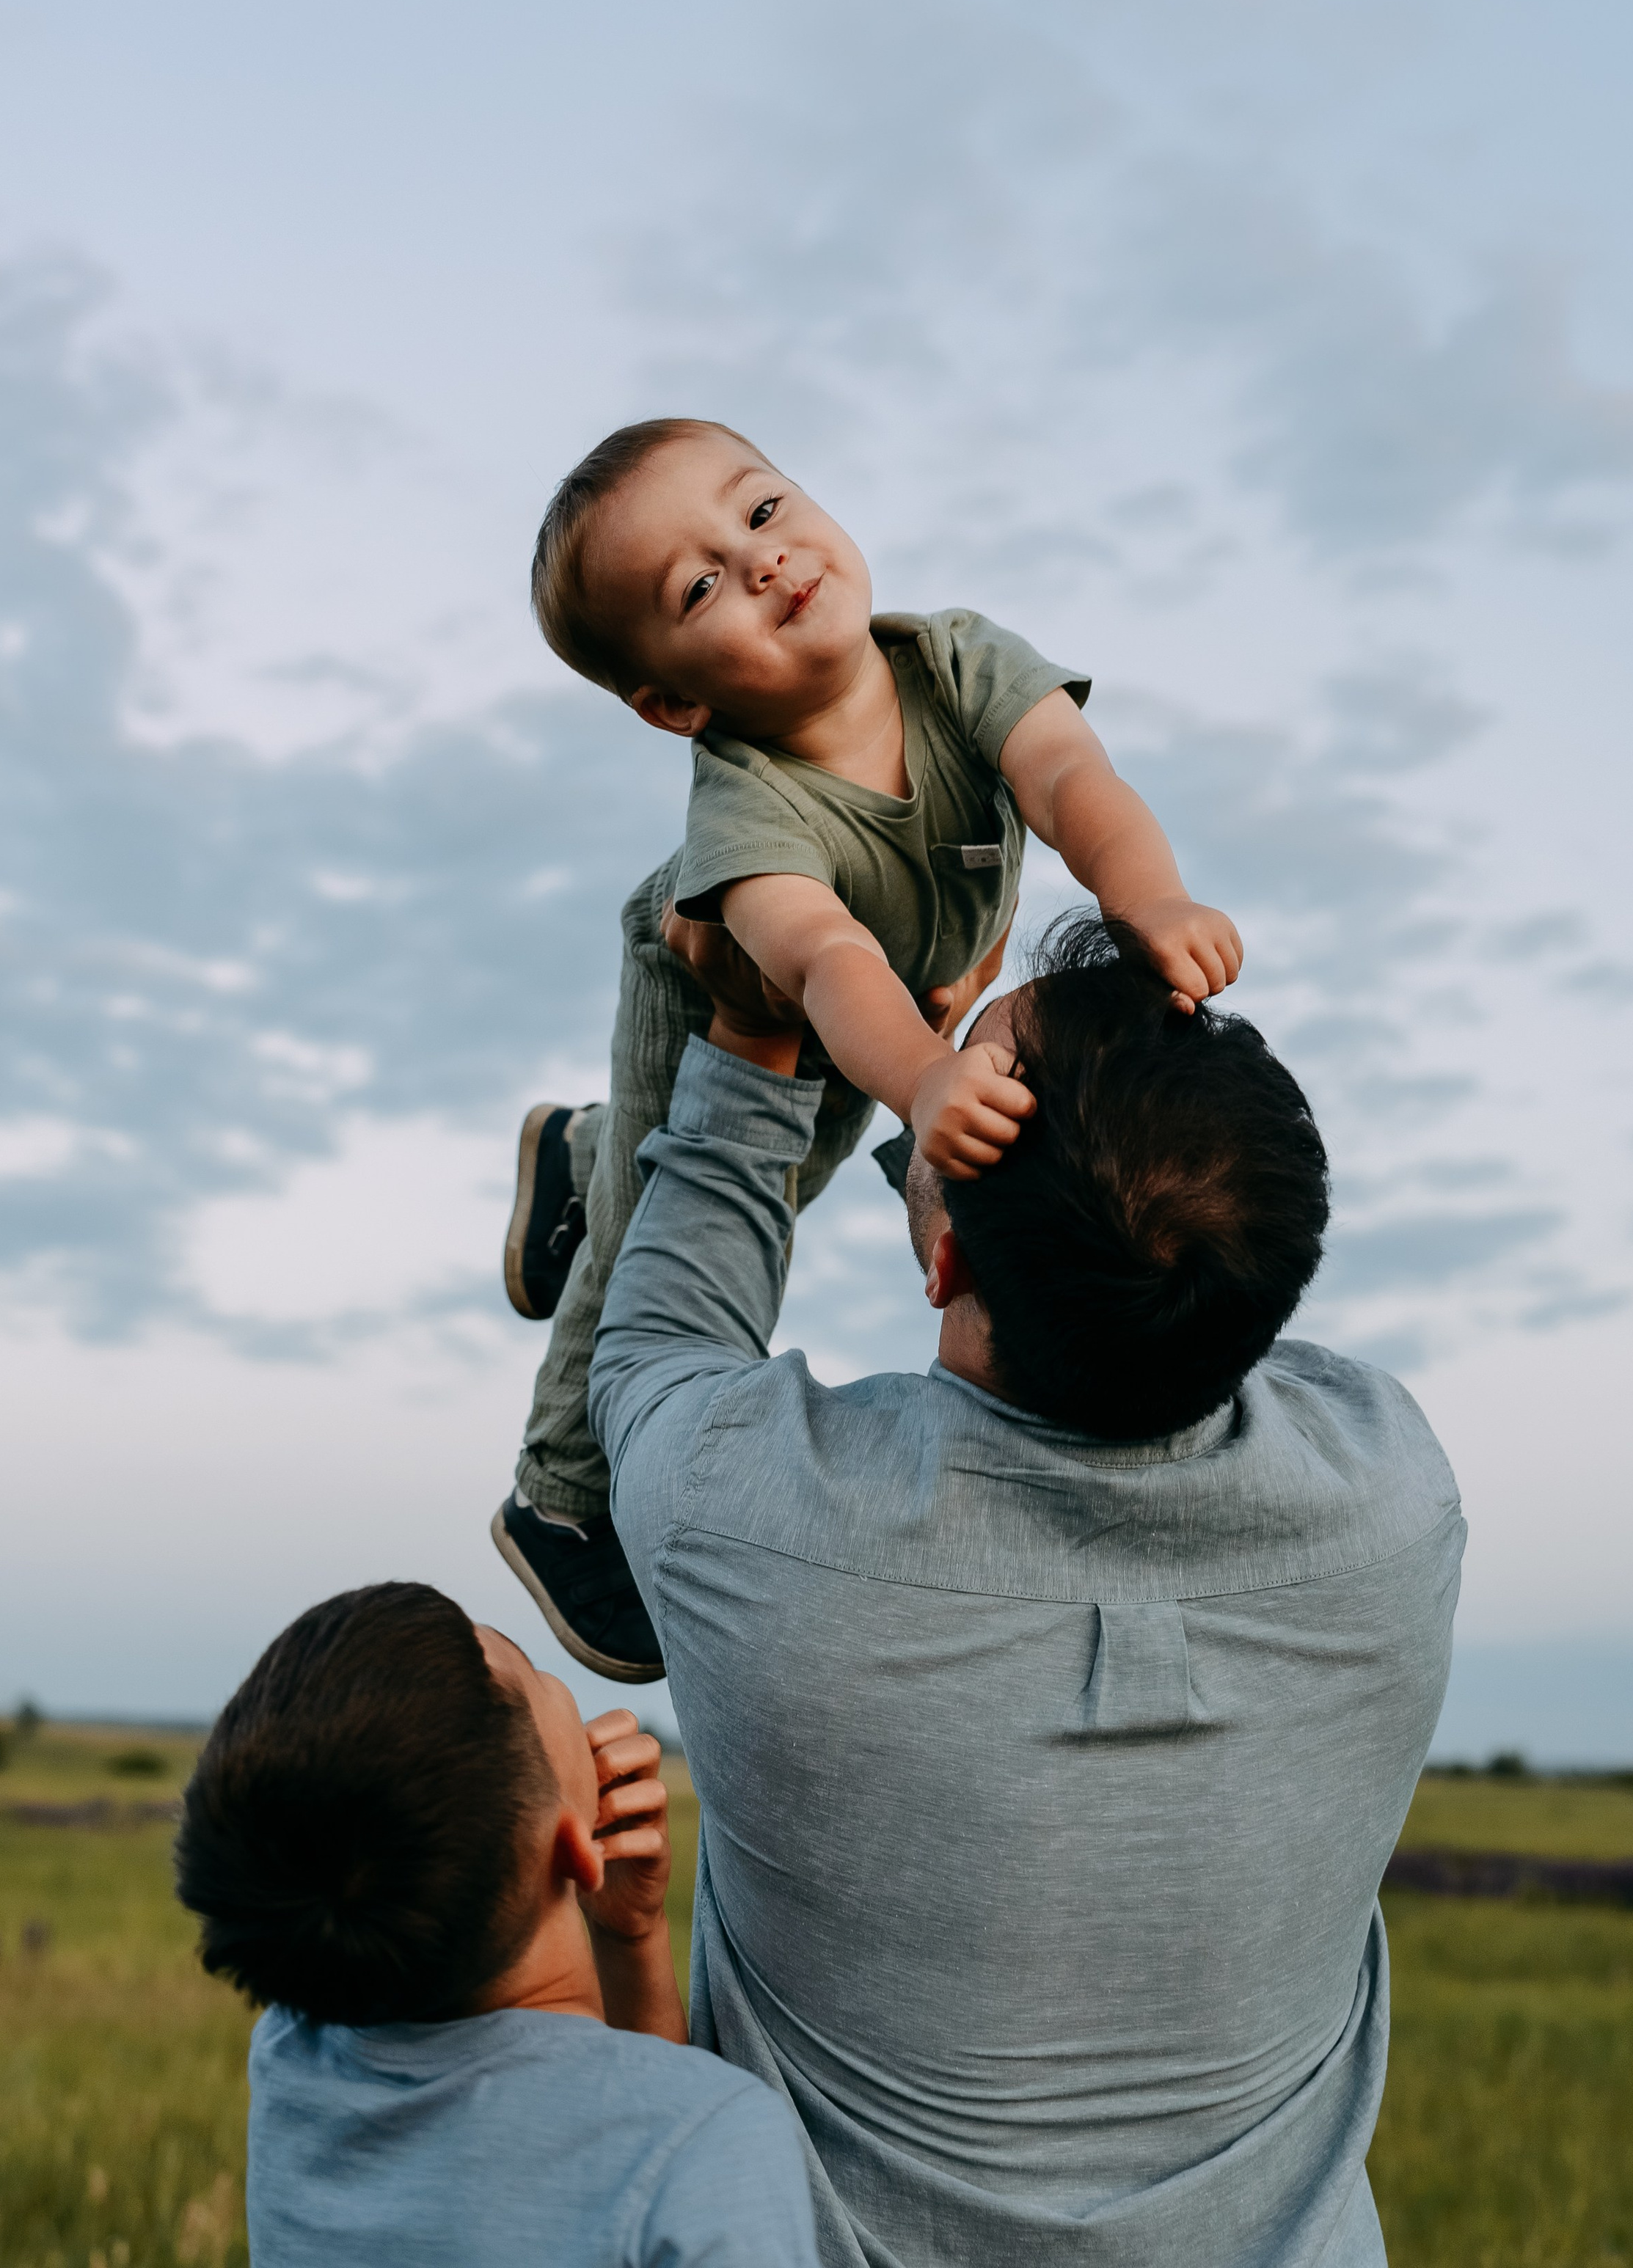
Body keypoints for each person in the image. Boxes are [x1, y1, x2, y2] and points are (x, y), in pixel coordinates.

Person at [588, 914, 1465, 2268]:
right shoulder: (1394, 1499)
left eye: (967, 1077)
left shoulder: (749, 1517)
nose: (940, 1066)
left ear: (941, 1264)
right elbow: (1180, 1281)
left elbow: (651, 1340)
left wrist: (764, 1037)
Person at [495, 414, 1243, 1682]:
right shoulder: (752, 802)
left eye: (765, 513)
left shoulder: (955, 662)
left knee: (809, 1171)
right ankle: (558, 1488)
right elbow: (828, 961)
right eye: (701, 585)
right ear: (674, 699)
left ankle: (577, 1150)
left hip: (899, 1014)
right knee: (670, 1218)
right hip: (747, 1002)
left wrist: (1148, 900)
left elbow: (1069, 780)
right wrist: (926, 1077)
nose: (764, 563)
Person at [173, 1581, 819, 2268]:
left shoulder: (294, 2056)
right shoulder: (718, 2144)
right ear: (571, 1848)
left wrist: (630, 1936)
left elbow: (625, 2108)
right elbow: (651, 2134)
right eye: (531, 1676)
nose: (536, 1665)